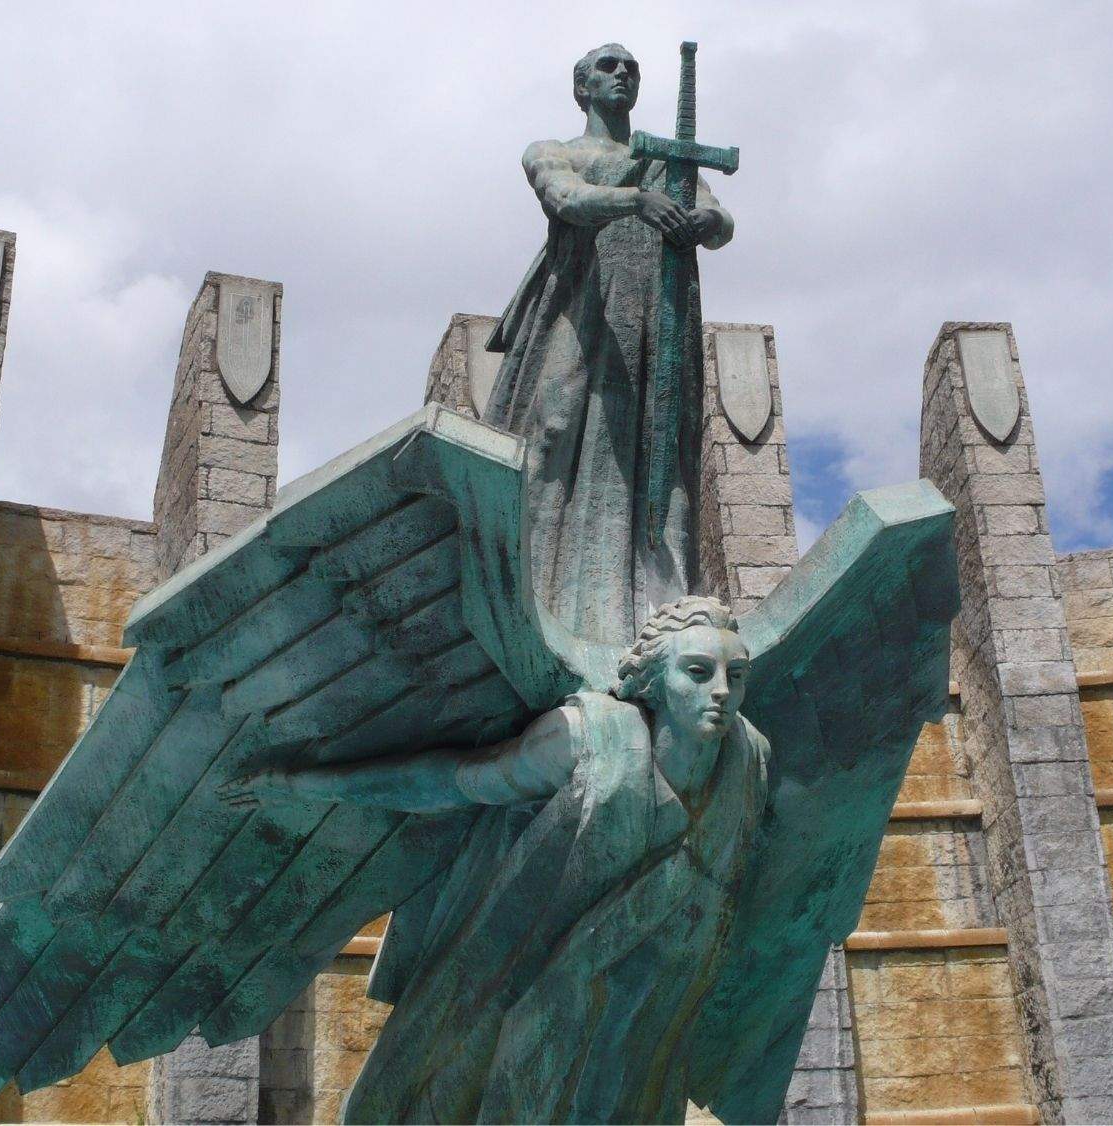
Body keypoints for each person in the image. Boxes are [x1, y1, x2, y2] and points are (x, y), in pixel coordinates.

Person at [217, 596, 767, 1123]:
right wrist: (304, 783)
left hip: (636, 1015)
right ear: (652, 680)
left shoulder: (751, 763)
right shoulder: (585, 740)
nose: (720, 691)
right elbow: (451, 782)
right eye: (697, 672)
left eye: (735, 676)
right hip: (505, 974)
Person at [482, 43, 735, 646]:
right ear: (582, 88)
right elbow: (564, 198)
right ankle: (530, 595)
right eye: (608, 67)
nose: (622, 75)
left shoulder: (671, 162)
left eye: (631, 69)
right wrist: (636, 201)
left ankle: (653, 609)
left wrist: (705, 223)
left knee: (658, 453)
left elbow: (720, 220)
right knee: (552, 430)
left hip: (657, 323)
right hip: (582, 314)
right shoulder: (555, 151)